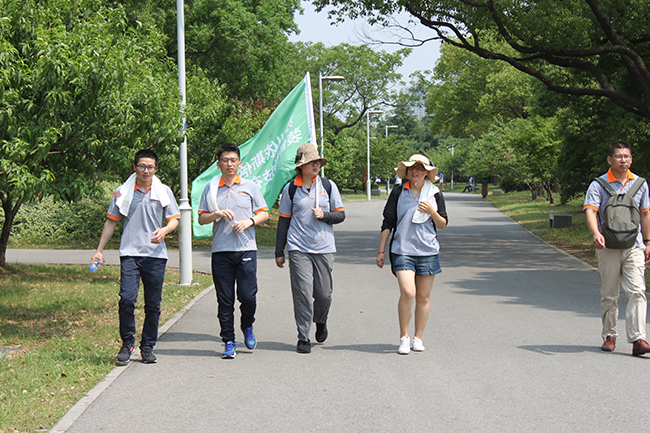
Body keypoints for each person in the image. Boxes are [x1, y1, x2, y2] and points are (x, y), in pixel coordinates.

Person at [91, 149, 180, 364]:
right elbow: (112, 221)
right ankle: (127, 343)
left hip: (155, 256)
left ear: (155, 169)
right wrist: (99, 250)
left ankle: (147, 347)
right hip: (130, 253)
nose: (146, 170)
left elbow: (175, 219)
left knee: (153, 304)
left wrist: (165, 231)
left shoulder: (164, 191)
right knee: (127, 299)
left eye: (150, 167)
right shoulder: (123, 191)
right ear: (135, 167)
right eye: (142, 166)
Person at [198, 143, 269, 359]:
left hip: (246, 248)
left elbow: (264, 213)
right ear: (218, 164)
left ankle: (247, 326)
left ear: (239, 163)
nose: (229, 164)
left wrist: (249, 222)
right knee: (225, 299)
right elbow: (201, 218)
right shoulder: (210, 189)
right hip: (221, 251)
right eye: (225, 160)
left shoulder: (250, 186)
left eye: (233, 160)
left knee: (248, 296)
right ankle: (228, 341)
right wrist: (217, 213)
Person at [275, 143, 345, 353]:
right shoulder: (291, 188)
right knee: (303, 293)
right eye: (310, 162)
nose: (315, 165)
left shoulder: (328, 186)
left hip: (324, 247)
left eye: (317, 162)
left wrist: (325, 216)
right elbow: (283, 221)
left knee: (324, 295)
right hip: (298, 248)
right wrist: (280, 251)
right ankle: (303, 336)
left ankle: (321, 321)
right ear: (301, 166)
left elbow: (340, 215)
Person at [584, 140, 650, 356]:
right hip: (607, 246)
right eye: (619, 156)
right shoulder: (598, 185)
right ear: (609, 159)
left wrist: (648, 242)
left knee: (637, 291)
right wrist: (596, 234)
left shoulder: (640, 184)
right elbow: (591, 211)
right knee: (610, 293)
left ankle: (638, 338)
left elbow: (645, 214)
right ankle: (610, 335)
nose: (624, 160)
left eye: (627, 156)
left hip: (634, 246)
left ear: (631, 159)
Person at [377, 154, 448, 355]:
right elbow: (387, 223)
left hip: (427, 250)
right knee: (409, 292)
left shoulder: (434, 194)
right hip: (402, 250)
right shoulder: (399, 192)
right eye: (411, 169)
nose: (414, 172)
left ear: (427, 173)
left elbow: (442, 224)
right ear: (407, 172)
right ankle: (404, 337)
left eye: (419, 169)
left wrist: (432, 212)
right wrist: (381, 250)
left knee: (424, 297)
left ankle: (418, 338)